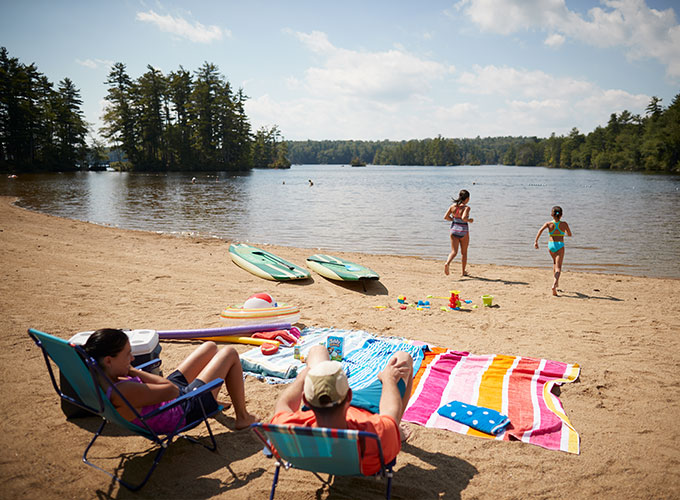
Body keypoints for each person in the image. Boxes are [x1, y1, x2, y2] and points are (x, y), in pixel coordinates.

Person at [270, 344, 413, 475]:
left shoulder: (283, 429)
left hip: (316, 436)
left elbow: (284, 403)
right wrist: (388, 379)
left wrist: (309, 374)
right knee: (403, 358)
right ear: (349, 395)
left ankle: (316, 372)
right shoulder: (377, 434)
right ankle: (397, 431)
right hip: (366, 407)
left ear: (306, 400)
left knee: (318, 351)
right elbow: (390, 409)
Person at [83, 328, 258, 433]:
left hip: (167, 401)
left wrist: (127, 370)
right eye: (127, 354)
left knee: (210, 347)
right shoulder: (124, 390)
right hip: (183, 407)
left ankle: (211, 397)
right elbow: (173, 390)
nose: (132, 359)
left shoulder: (102, 377)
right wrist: (133, 371)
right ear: (108, 360)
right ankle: (242, 417)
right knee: (230, 353)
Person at [534, 206, 573, 296]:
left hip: (551, 245)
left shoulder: (548, 224)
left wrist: (536, 241)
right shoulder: (564, 224)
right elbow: (570, 234)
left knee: (554, 264)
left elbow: (540, 231)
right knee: (558, 267)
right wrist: (564, 232)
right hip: (560, 245)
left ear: (551, 214)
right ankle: (554, 284)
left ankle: (557, 282)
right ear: (561, 215)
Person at [443, 189, 474, 276]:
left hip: (453, 230)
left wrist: (453, 219)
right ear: (467, 198)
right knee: (464, 253)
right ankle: (463, 271)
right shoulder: (466, 208)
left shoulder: (452, 206)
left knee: (454, 251)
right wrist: (470, 220)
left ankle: (447, 263)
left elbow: (445, 217)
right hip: (463, 231)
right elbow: (464, 218)